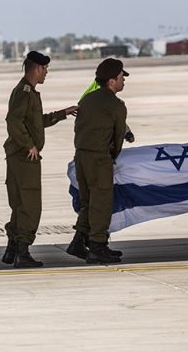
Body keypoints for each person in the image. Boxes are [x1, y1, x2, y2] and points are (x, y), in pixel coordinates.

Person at [3, 51, 78, 268]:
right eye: (45, 69)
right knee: (30, 204)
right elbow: (13, 121)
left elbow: (35, 121)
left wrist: (63, 113)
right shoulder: (25, 92)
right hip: (24, 156)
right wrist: (30, 145)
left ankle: (13, 249)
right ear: (37, 68)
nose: (47, 73)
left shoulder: (27, 91)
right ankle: (23, 252)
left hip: (18, 155)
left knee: (19, 204)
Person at [67, 58, 128, 264]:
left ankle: (78, 241)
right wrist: (110, 157)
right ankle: (97, 246)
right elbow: (118, 138)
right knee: (101, 203)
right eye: (121, 78)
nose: (123, 81)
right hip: (99, 158)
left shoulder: (87, 100)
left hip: (81, 156)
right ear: (111, 81)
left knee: (88, 202)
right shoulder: (117, 105)